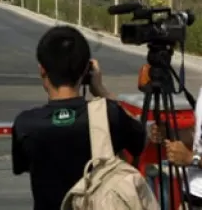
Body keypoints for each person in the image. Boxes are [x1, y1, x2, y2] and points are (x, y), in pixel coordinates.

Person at [11, 25, 146, 210]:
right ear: (86, 71)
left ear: (42, 70)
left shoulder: (25, 124)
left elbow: (21, 166)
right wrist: (100, 89)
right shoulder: (109, 115)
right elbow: (139, 138)